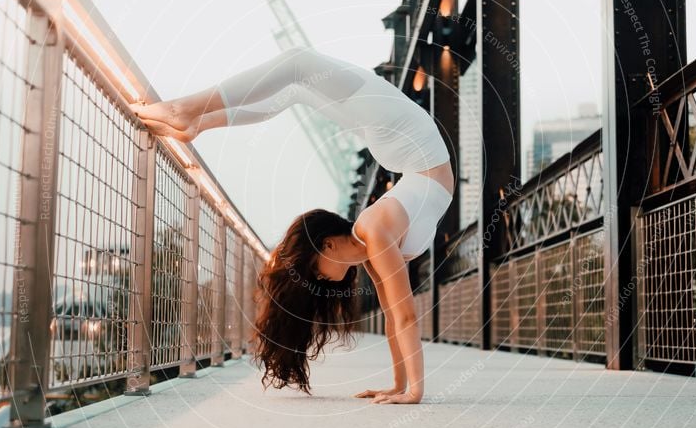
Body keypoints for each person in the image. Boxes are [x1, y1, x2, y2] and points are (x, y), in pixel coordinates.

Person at [130, 46, 454, 405]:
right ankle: (195, 119)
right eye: (315, 274)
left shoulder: (375, 232)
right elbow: (398, 318)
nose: (321, 280)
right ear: (328, 245)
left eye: (313, 273)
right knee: (297, 84)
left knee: (299, 66)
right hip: (406, 145)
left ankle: (191, 113)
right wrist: (400, 387)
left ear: (327, 244)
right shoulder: (373, 244)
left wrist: (414, 391)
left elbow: (405, 316)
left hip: (406, 136)